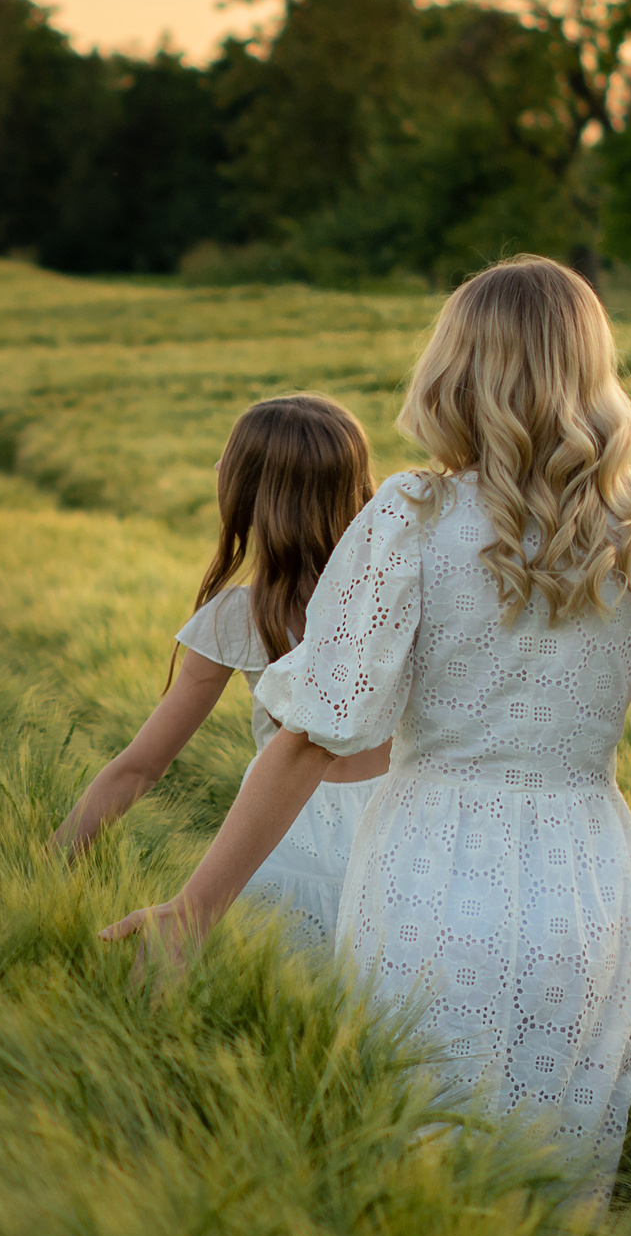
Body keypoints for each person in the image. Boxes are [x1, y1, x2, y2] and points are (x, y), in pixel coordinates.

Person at [102, 256, 631, 1194]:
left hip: (419, 871)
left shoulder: (407, 515)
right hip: (584, 886)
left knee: (408, 1161)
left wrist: (193, 909)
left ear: (453, 372)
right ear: (593, 377)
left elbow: (310, 739)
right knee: (557, 1175)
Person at [54, 394, 392, 955]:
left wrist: (45, 863)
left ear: (254, 494)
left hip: (281, 834)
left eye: (228, 461)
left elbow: (139, 767)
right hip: (403, 828)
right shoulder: (401, 598)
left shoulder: (238, 617)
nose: (216, 469)